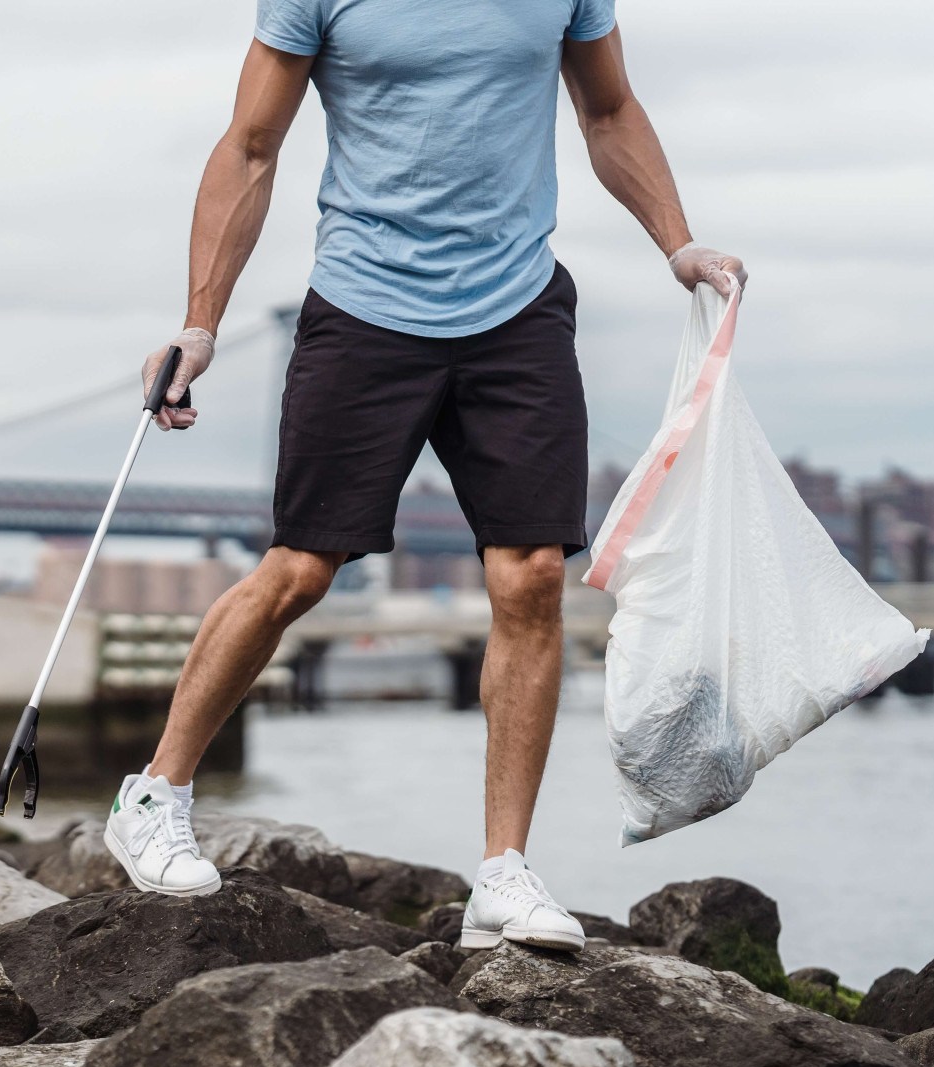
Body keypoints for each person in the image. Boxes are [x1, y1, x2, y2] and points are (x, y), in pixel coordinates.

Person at [102, 0, 745, 949]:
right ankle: (154, 798)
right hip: (363, 307)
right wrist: (200, 324)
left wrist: (677, 242)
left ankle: (503, 874)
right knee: (300, 571)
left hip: (517, 309)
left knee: (529, 574)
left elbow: (607, 113)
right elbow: (249, 146)